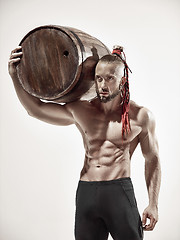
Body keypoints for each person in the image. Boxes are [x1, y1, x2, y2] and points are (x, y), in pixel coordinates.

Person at [8, 45, 161, 240]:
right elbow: (36, 109)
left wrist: (153, 204)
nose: (102, 85)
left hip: (119, 192)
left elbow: (152, 159)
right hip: (87, 192)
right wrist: (14, 76)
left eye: (109, 78)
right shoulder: (81, 110)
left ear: (123, 81)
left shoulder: (141, 116)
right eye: (98, 78)